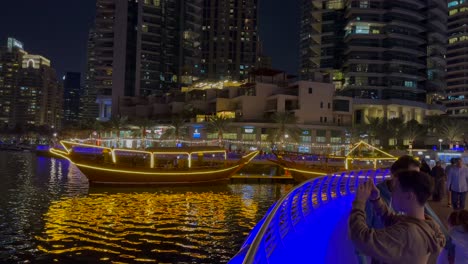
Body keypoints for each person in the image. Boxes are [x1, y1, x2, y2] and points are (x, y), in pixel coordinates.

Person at [349, 170, 446, 263]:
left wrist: (359, 202)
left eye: (396, 189)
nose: (392, 193)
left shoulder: (406, 233)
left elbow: (361, 238)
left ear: (409, 196)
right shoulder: (429, 224)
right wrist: (376, 200)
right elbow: (393, 219)